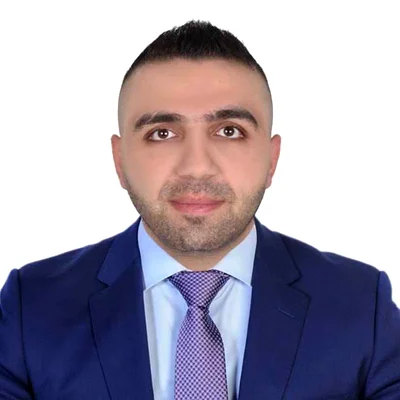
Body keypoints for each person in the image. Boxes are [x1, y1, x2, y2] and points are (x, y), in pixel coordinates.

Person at [1, 19, 399, 400]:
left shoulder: (362, 305)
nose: (196, 167)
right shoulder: (30, 307)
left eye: (229, 131)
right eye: (162, 133)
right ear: (120, 161)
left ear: (271, 160)